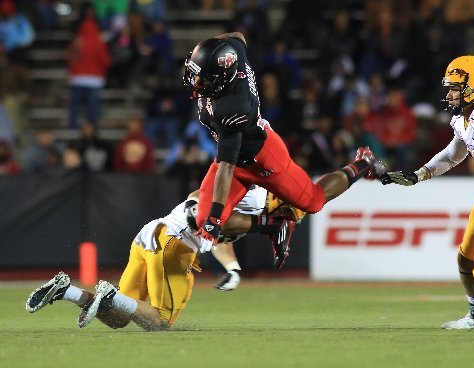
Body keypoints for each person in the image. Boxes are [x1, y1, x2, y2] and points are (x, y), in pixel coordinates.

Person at [182, 32, 384, 259]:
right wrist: (212, 51)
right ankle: (275, 225)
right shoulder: (232, 50)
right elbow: (238, 37)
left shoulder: (232, 108)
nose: (196, 81)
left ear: (222, 78)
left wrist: (215, 219)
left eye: (205, 77)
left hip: (263, 159)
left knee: (313, 201)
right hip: (234, 161)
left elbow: (226, 168)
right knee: (202, 218)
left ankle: (364, 163)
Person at [25, 186, 304, 331]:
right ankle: (109, 293)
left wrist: (232, 269)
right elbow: (199, 206)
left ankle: (66, 291)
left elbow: (214, 236)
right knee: (160, 321)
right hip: (173, 243)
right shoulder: (251, 199)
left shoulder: (244, 202)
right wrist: (265, 225)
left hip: (151, 235)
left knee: (119, 318)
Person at [381, 55, 474, 329]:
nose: (449, 94)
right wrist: (419, 175)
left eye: (455, 88)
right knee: (465, 259)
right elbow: (453, 154)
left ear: (473, 87)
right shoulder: (463, 119)